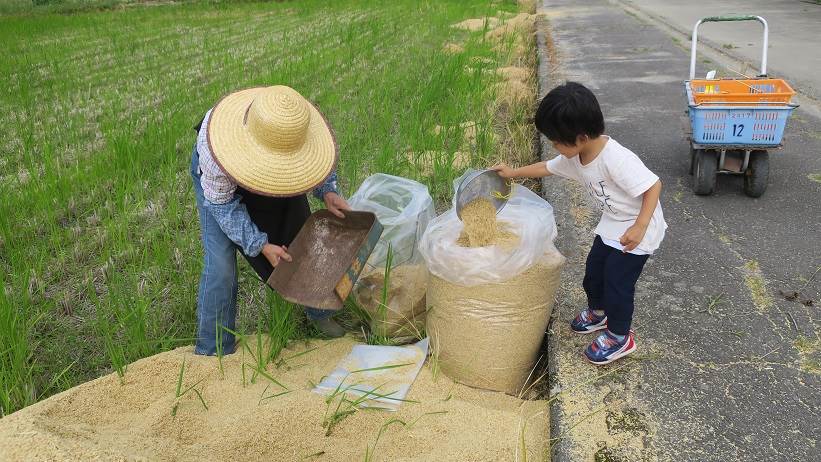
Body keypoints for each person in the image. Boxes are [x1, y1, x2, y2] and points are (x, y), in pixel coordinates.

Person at [493, 81, 667, 365]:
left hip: (638, 228)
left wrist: (640, 226)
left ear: (581, 136)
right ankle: (599, 313)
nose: (554, 147)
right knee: (594, 272)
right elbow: (545, 168)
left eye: (557, 141)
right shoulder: (576, 155)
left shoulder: (616, 159)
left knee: (617, 283)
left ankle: (620, 336)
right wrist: (512, 173)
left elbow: (653, 186)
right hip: (613, 224)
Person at [190, 85, 351, 356]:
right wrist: (259, 244)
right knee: (221, 265)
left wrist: (328, 191)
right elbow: (222, 205)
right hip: (222, 192)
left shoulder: (296, 127)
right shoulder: (215, 149)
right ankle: (213, 347)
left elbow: (320, 163)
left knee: (303, 238)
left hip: (280, 169)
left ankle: (319, 312)